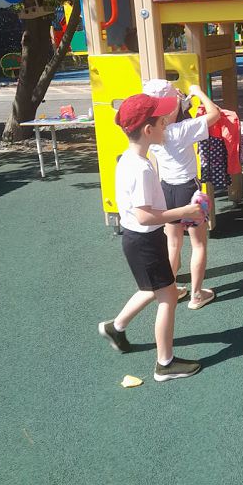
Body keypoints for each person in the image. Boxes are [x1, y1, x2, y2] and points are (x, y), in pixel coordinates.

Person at [98, 92, 204, 382]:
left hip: (137, 240)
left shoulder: (129, 160)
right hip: (144, 240)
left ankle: (116, 327)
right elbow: (145, 216)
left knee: (152, 288)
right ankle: (164, 363)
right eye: (162, 122)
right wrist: (185, 211)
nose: (166, 126)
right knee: (168, 296)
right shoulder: (142, 168)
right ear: (148, 130)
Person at [143, 78, 221, 310]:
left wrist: (179, 103)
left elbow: (170, 114)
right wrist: (198, 92)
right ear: (170, 107)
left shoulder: (151, 131)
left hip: (166, 190)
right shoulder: (182, 130)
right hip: (188, 191)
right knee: (199, 244)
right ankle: (196, 295)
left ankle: (171, 289)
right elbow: (214, 114)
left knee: (173, 244)